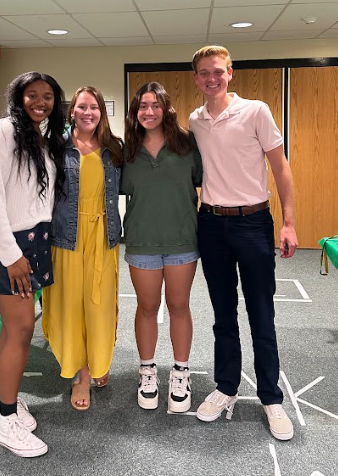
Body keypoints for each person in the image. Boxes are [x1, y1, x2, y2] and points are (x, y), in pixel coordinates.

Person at [189, 45, 298, 440]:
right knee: (223, 314)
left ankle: (271, 397)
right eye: (203, 72)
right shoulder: (195, 120)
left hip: (253, 223)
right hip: (211, 224)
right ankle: (226, 387)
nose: (211, 78)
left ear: (230, 72)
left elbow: (280, 167)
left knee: (260, 313)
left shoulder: (256, 111)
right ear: (197, 78)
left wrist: (288, 223)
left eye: (217, 70)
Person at [0, 72, 66, 457]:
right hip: (4, 244)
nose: (40, 102)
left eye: (47, 97)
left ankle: (8, 404)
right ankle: (7, 421)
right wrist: (11, 256)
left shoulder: (42, 139)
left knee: (15, 329)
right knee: (23, 326)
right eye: (32, 95)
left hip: (32, 240)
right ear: (18, 97)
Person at [121, 82, 202, 413]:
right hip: (142, 242)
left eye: (155, 105)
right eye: (142, 106)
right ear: (135, 112)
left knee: (179, 305)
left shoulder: (188, 144)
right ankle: (148, 370)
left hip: (182, 240)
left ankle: (181, 372)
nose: (149, 111)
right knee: (147, 307)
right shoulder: (126, 149)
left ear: (167, 108)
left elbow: (209, 182)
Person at [42, 86, 122, 411]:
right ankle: (83, 374)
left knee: (100, 306)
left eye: (94, 107)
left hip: (103, 237)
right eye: (82, 107)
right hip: (68, 238)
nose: (88, 113)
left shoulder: (114, 149)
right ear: (71, 111)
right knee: (72, 307)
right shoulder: (56, 149)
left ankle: (99, 362)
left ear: (101, 112)